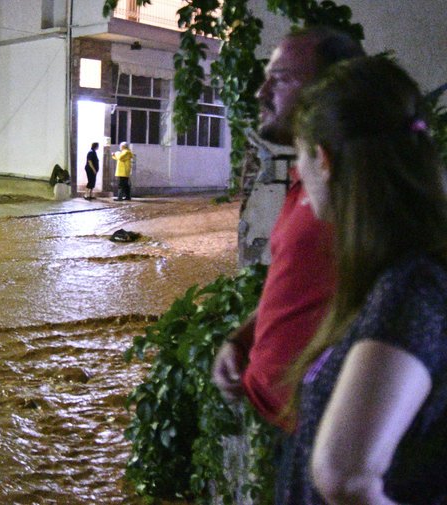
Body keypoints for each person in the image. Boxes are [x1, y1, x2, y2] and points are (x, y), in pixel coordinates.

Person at [277, 56, 447, 505]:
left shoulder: (411, 288)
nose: (299, 179)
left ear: (324, 161)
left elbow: (345, 476)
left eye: (299, 159)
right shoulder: (393, 277)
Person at [211, 26, 365, 430]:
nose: (261, 93)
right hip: (285, 423)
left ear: (330, 88)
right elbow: (298, 284)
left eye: (279, 79)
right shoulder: (305, 181)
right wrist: (242, 339)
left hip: (324, 431)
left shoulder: (354, 195)